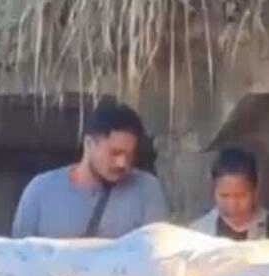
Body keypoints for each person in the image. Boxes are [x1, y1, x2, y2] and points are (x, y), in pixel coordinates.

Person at [12, 102, 169, 239]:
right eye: (114, 153)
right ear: (88, 144)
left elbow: (156, 254)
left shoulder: (146, 189)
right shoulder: (40, 190)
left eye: (129, 155)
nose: (122, 163)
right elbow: (19, 255)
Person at [189, 147, 269, 248]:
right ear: (213, 191)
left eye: (240, 196)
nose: (232, 205)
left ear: (255, 191)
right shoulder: (197, 233)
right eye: (224, 196)